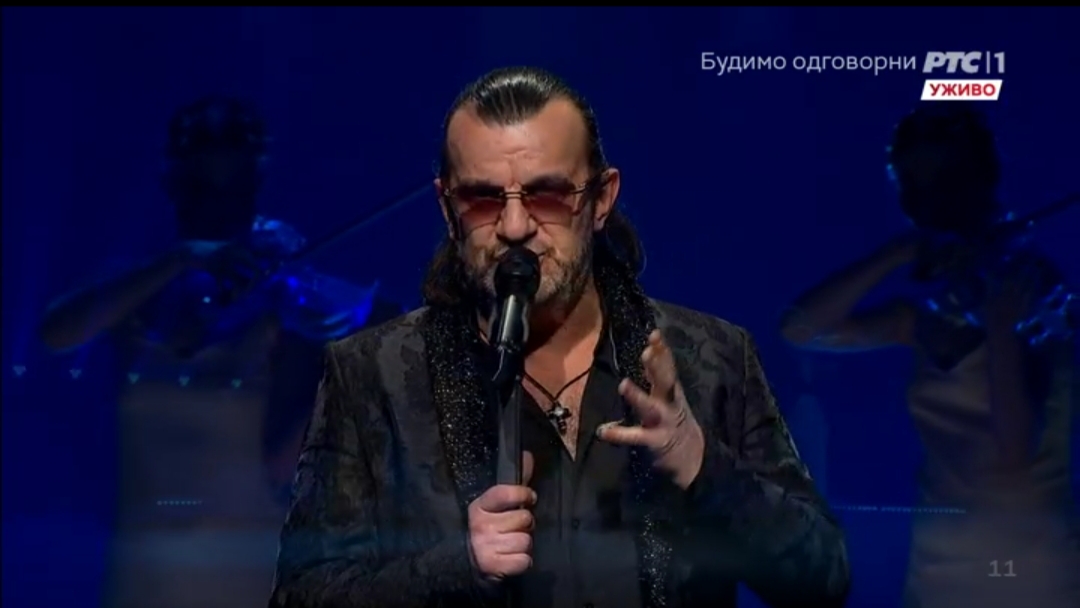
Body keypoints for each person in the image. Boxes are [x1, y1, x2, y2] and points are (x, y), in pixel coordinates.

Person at [269, 66, 850, 608]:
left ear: (600, 200)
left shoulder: (712, 358)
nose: (515, 226)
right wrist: (456, 568)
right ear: (447, 207)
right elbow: (300, 595)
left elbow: (823, 580)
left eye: (546, 195)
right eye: (483, 199)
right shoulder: (373, 375)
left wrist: (703, 467)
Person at [38, 96, 401, 608]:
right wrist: (182, 258)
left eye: (234, 192)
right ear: (171, 183)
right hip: (140, 573)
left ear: (256, 187)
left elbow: (286, 462)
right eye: (201, 189)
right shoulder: (134, 290)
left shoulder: (283, 303)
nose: (217, 208)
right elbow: (55, 333)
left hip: (250, 570)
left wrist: (332, 331)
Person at [780, 104, 1078, 608]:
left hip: (1031, 569)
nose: (929, 205)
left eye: (945, 183)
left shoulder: (1032, 290)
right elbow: (798, 328)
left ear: (980, 182)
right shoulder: (927, 313)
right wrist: (898, 252)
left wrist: (1000, 327)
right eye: (912, 191)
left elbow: (1014, 451)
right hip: (937, 568)